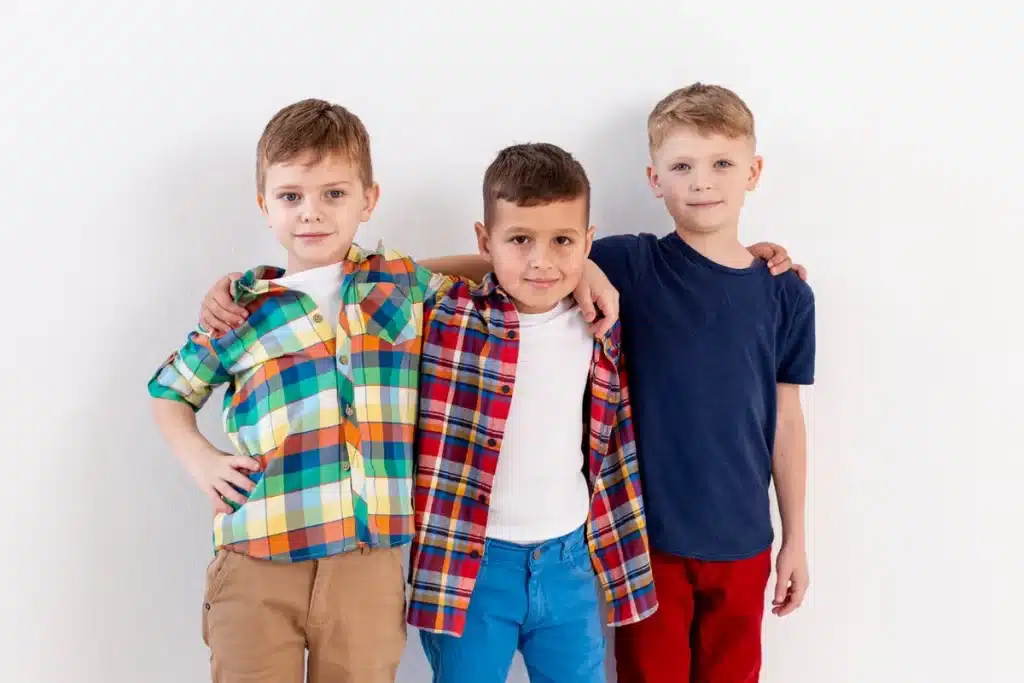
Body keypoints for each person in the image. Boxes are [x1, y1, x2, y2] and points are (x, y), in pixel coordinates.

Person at [148, 98, 619, 683]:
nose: (312, 214)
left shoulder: (396, 284)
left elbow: (502, 264)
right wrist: (200, 460)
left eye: (334, 194)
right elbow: (170, 391)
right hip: (258, 554)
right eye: (292, 196)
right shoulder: (244, 308)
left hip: (367, 562)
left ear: (368, 199)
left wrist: (585, 268)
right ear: (264, 203)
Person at [408, 143, 657, 683]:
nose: (541, 261)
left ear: (587, 242)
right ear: (484, 240)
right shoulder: (452, 315)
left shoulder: (598, 322)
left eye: (563, 241)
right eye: (519, 239)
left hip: (568, 561)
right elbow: (381, 279)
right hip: (472, 566)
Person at [595, 83, 816, 683]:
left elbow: (786, 422)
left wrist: (794, 538)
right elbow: (530, 257)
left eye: (722, 163)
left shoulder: (785, 292)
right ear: (653, 177)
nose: (702, 182)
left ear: (753, 171)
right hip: (649, 541)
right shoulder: (629, 264)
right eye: (682, 166)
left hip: (744, 540)